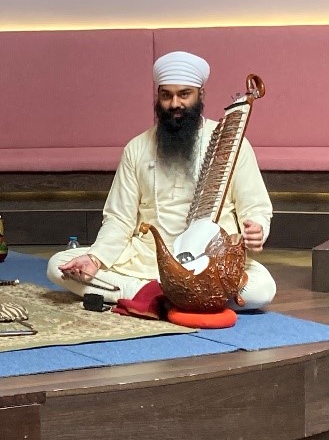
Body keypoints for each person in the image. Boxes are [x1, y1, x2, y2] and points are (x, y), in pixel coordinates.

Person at [47, 51, 276, 309]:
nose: (175, 103)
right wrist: (96, 259)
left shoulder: (231, 144)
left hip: (210, 262)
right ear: (158, 98)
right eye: (167, 95)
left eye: (184, 94)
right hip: (147, 260)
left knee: (262, 288)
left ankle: (152, 296)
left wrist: (257, 229)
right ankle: (175, 295)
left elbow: (256, 207)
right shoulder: (137, 148)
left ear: (201, 94)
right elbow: (119, 219)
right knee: (58, 265)